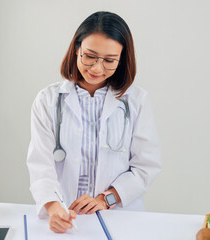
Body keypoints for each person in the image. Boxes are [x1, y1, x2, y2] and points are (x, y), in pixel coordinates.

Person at [27, 11, 161, 233]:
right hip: (65, 214)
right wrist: (53, 208)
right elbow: (40, 165)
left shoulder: (137, 101)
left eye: (109, 60)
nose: (97, 68)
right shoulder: (48, 100)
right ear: (77, 49)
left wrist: (106, 199)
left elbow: (146, 166)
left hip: (118, 216)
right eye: (90, 56)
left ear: (121, 59)